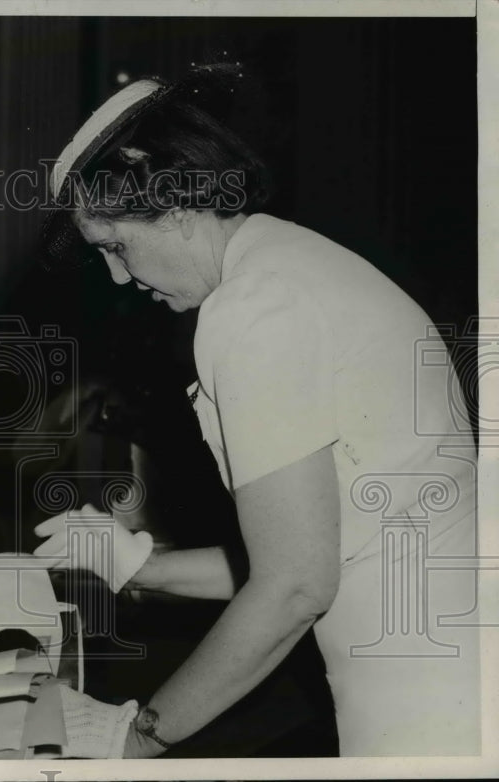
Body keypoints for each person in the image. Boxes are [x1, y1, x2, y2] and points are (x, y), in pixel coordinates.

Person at [33, 68, 480, 757]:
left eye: (116, 246)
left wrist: (140, 737)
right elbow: (318, 550)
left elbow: (296, 585)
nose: (119, 277)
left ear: (173, 202)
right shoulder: (293, 264)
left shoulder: (250, 309)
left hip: (425, 706)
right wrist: (139, 565)